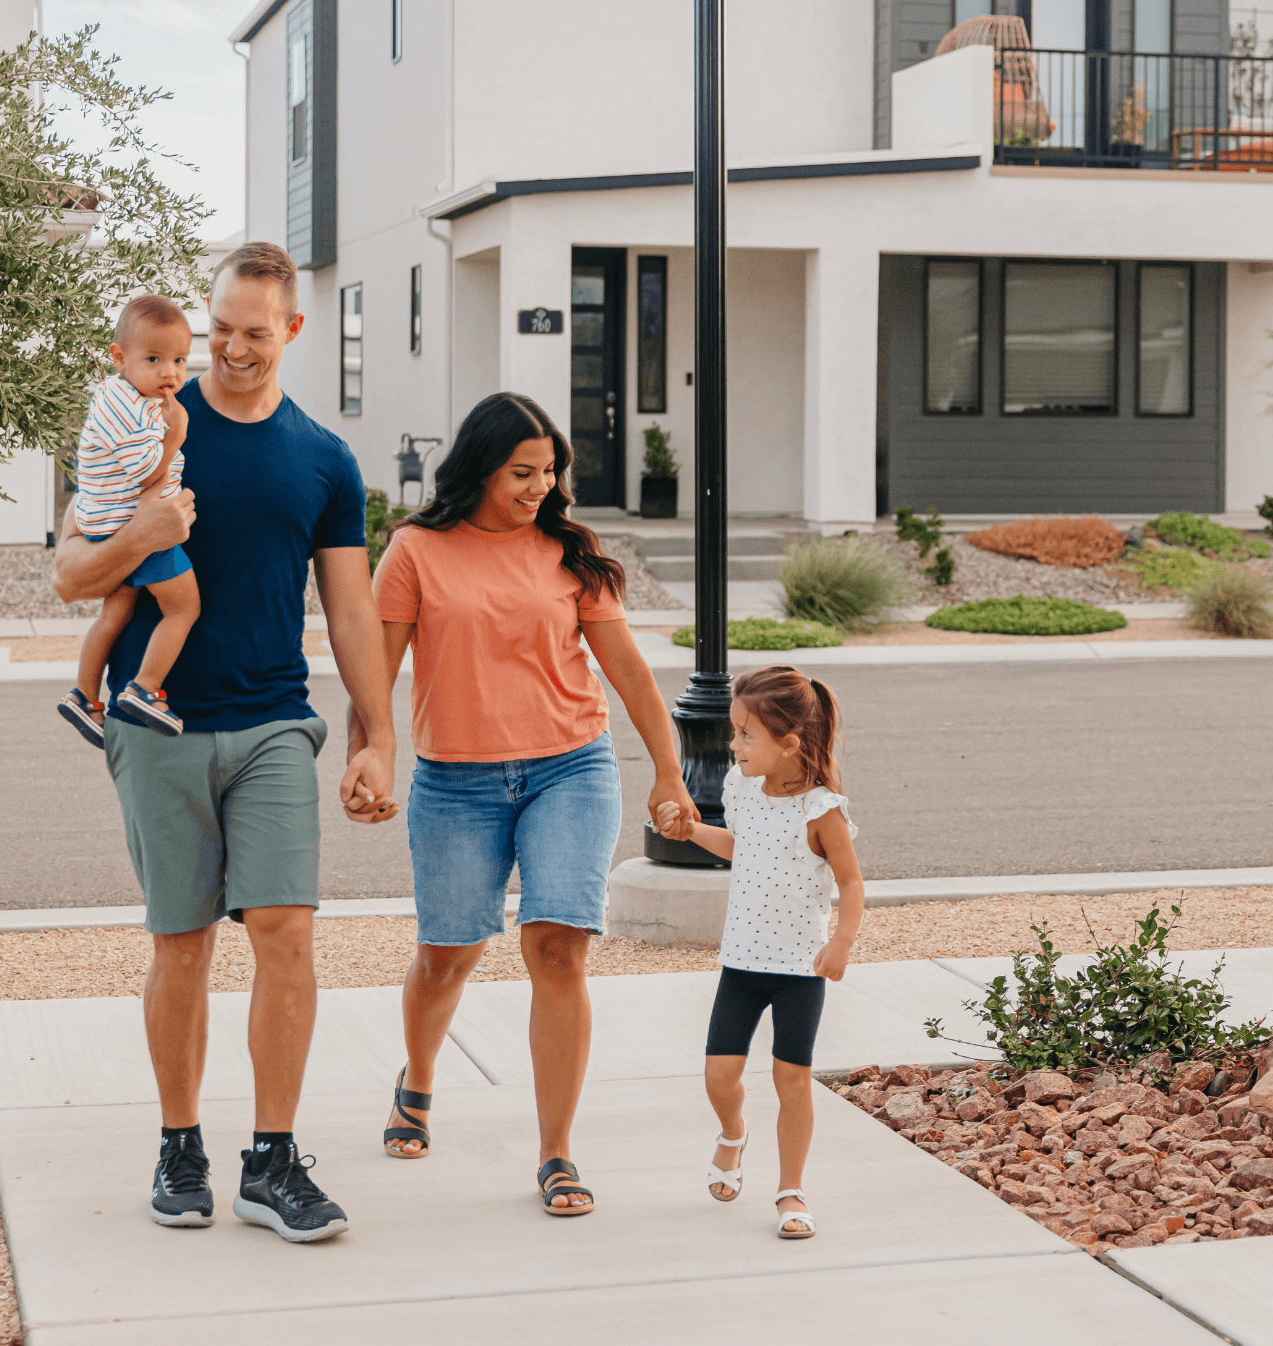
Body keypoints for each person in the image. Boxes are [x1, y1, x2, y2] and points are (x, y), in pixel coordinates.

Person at [53, 241, 397, 1244]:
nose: (233, 349)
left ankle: (273, 1161)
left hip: (274, 722)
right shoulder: (143, 420)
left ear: (292, 328)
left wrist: (379, 736)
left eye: (255, 332)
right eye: (221, 330)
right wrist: (142, 530)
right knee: (183, 944)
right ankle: (179, 1145)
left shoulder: (324, 459)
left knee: (286, 930)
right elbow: (71, 575)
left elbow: (351, 610)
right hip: (157, 725)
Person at [351, 392, 696, 1216]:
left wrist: (669, 769)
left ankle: (556, 1152)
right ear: (480, 469)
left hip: (570, 769)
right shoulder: (415, 550)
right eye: (522, 473)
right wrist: (373, 752)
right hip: (455, 781)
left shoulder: (569, 549)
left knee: (558, 948)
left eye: (549, 471)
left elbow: (628, 670)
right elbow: (375, 670)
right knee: (447, 955)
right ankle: (418, 1079)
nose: (541, 487)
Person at [655, 665, 865, 1240]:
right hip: (741, 964)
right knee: (718, 1075)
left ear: (789, 744)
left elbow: (851, 883)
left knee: (791, 1080)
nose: (733, 744)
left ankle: (790, 1189)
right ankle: (733, 1133)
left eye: (745, 734)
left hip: (799, 970)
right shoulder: (742, 789)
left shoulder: (821, 810)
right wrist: (691, 832)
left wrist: (841, 942)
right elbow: (741, 846)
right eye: (735, 732)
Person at [58, 296, 201, 745]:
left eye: (179, 360)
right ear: (119, 357)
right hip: (135, 526)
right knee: (183, 607)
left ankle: (84, 695)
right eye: (153, 359)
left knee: (115, 613)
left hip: (112, 523)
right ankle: (145, 687)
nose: (169, 373)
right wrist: (176, 434)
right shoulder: (125, 406)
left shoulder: (128, 397)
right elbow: (146, 472)